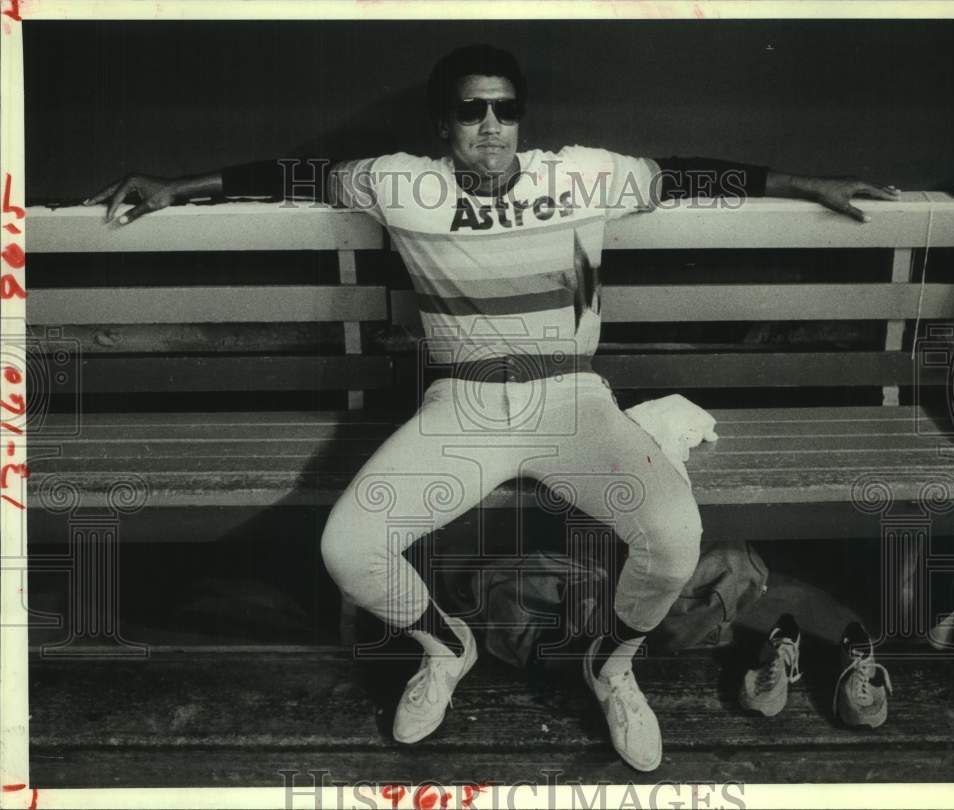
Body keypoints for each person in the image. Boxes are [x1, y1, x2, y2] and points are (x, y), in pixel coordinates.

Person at [85, 44, 900, 772]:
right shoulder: (402, 182)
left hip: (572, 400)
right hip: (464, 407)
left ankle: (612, 668)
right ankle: (447, 650)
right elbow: (288, 175)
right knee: (349, 546)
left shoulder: (580, 175)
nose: (490, 125)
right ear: (443, 123)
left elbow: (687, 172)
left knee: (675, 536)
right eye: (471, 110)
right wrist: (175, 187)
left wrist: (807, 182)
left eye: (504, 110)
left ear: (520, 118)